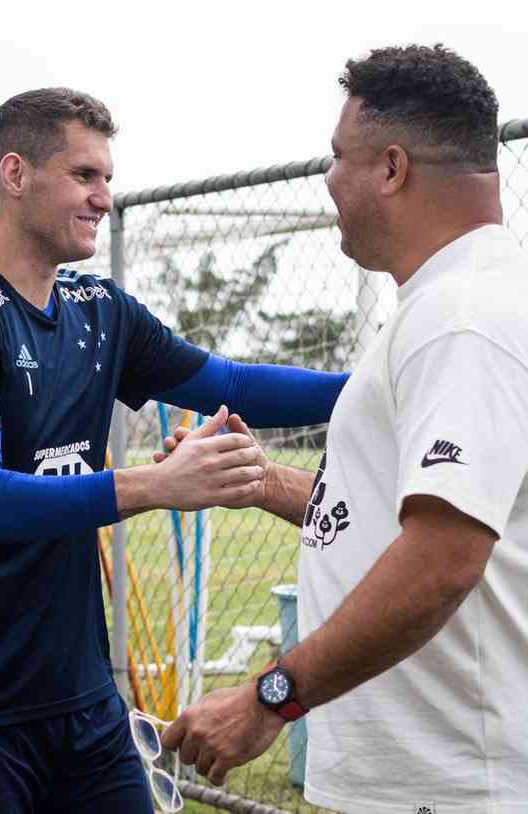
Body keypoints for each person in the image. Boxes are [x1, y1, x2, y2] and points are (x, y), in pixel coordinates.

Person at [0, 88, 348, 813]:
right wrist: (156, 485)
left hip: (84, 699)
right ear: (15, 174)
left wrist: (378, 385)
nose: (104, 197)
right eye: (85, 176)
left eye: (107, 178)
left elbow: (228, 382)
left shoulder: (99, 312)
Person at [161, 44, 528, 814]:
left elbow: (442, 557)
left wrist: (270, 698)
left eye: (337, 157)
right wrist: (258, 481)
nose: (327, 180)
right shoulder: (445, 305)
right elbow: (398, 513)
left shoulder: (462, 318)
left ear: (392, 169)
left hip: (459, 785)